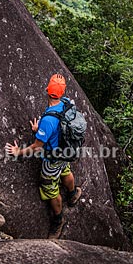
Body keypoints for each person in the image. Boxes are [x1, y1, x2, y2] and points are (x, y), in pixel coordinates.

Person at [5, 73, 82, 239]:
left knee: (50, 188)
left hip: (52, 159)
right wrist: (41, 131)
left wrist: (19, 152)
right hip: (66, 152)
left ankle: (58, 220)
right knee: (65, 170)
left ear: (48, 90)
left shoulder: (48, 120)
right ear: (62, 93)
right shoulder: (66, 104)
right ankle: (73, 193)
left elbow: (36, 146)